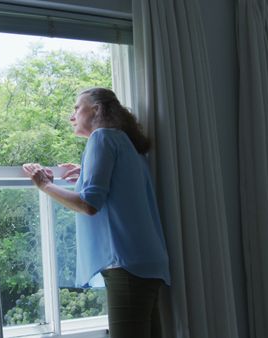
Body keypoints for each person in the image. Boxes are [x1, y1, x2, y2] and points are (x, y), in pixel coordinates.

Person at [22, 88, 170, 338]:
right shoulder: (126, 143)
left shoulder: (101, 138)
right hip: (148, 261)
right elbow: (120, 189)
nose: (72, 116)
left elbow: (89, 204)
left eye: (77, 107)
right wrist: (85, 174)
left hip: (126, 264)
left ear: (97, 110)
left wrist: (44, 184)